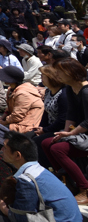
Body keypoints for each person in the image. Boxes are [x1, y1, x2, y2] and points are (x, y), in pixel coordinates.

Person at [0, 131, 82, 222]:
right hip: (68, 217)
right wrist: (0, 198)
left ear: (17, 155)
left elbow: (22, 218)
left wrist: (4, 210)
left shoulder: (26, 180)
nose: (2, 150)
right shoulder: (38, 170)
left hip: (54, 218)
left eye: (5, 148)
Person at [40, 57, 88, 204]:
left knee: (59, 149)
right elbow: (71, 114)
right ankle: (69, 183)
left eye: (59, 72)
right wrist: (65, 133)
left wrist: (71, 134)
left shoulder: (86, 91)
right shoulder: (70, 88)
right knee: (48, 143)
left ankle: (85, 188)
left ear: (70, 72)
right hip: (81, 132)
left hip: (84, 133)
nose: (57, 75)